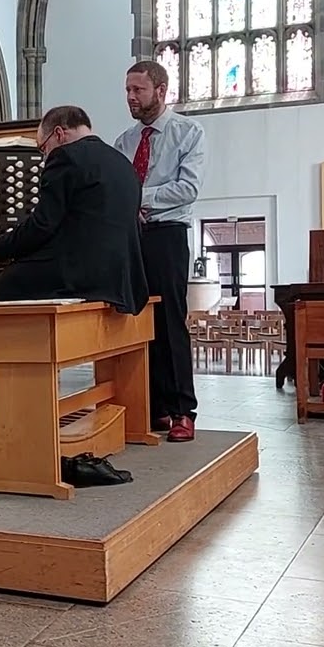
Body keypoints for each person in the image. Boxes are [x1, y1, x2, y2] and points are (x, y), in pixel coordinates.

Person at [0, 105, 149, 421]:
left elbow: (43, 225)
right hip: (122, 278)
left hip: (80, 273)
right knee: (12, 281)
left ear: (59, 133)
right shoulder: (122, 163)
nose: (44, 156)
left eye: (42, 148)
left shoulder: (66, 157)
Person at [113, 60, 206, 443]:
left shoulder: (188, 132)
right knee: (137, 320)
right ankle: (154, 407)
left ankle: (184, 410)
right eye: (128, 91)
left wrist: (139, 197)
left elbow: (187, 189)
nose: (132, 97)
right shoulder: (124, 141)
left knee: (169, 321)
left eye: (139, 90)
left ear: (161, 90)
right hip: (131, 237)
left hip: (167, 234)